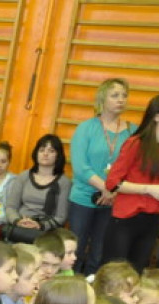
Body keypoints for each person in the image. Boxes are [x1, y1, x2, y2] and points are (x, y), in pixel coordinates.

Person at [69, 78, 134, 274]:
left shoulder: (133, 131)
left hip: (114, 200)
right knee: (76, 248)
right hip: (83, 198)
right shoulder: (86, 128)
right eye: (115, 95)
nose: (120, 99)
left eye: (124, 95)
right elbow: (81, 167)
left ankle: (92, 288)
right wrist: (106, 188)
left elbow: (133, 167)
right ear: (102, 99)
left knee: (100, 251)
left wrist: (113, 192)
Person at [103, 94, 159, 272]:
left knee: (136, 273)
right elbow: (112, 183)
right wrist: (148, 189)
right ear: (157, 116)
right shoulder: (135, 143)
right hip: (126, 219)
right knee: (114, 273)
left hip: (152, 220)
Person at [3, 134, 71, 243]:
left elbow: (61, 217)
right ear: (36, 153)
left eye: (51, 151)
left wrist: (39, 225)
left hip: (45, 231)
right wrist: (18, 221)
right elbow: (11, 207)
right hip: (20, 226)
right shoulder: (23, 176)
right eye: (42, 150)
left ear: (58, 156)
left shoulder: (64, 182)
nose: (45, 154)